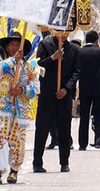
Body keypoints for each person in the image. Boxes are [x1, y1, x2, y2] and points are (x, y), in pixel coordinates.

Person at [0, 32, 37, 184]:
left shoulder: (29, 67)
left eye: (18, 45)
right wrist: (13, 61)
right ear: (7, 47)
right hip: (0, 108)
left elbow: (36, 89)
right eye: (12, 45)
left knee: (17, 140)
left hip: (20, 109)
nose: (15, 48)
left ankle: (14, 170)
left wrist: (22, 91)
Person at [32, 31, 79, 174]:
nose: (63, 35)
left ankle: (64, 162)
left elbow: (76, 72)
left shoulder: (74, 49)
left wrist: (66, 89)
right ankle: (37, 162)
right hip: (47, 95)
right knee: (42, 129)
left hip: (63, 96)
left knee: (64, 130)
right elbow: (38, 66)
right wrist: (52, 58)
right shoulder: (44, 44)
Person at [77, 30, 100, 151]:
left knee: (84, 116)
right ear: (96, 41)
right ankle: (98, 141)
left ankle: (82, 144)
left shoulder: (79, 51)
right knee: (99, 116)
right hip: (98, 87)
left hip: (84, 87)